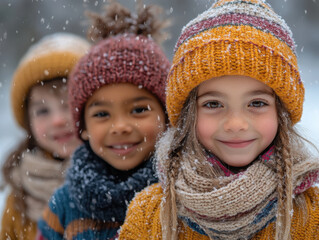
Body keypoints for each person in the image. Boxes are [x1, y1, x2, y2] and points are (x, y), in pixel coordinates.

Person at [118, 0, 319, 239]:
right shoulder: (150, 215)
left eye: (257, 103)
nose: (236, 123)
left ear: (281, 113)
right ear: (188, 115)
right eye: (213, 104)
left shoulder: (310, 215)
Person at [37, 1, 170, 239]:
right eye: (101, 114)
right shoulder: (64, 205)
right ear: (84, 128)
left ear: (167, 117)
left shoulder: (185, 194)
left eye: (139, 110)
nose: (120, 126)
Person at [0, 32, 90, 240]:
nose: (57, 121)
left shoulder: (119, 175)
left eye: (68, 105)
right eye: (42, 111)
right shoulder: (21, 194)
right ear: (28, 122)